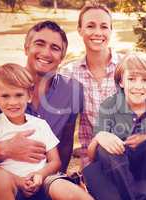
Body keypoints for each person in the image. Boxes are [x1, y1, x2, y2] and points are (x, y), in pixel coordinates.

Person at [0, 21, 85, 200]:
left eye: (55, 47)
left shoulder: (73, 91)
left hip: (41, 176)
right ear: (26, 48)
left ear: (62, 56)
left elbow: (65, 143)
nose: (46, 52)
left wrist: (53, 178)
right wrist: (1, 150)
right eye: (39, 44)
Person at [83, 51, 146, 200]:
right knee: (106, 147)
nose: (138, 86)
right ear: (121, 81)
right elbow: (91, 155)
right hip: (116, 172)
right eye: (132, 79)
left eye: (145, 80)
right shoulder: (109, 105)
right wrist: (101, 136)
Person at [60, 2, 119, 167]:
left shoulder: (128, 66)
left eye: (104, 27)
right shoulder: (68, 74)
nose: (98, 32)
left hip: (131, 152)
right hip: (95, 159)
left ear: (111, 31)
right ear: (80, 30)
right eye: (91, 26)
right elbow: (60, 125)